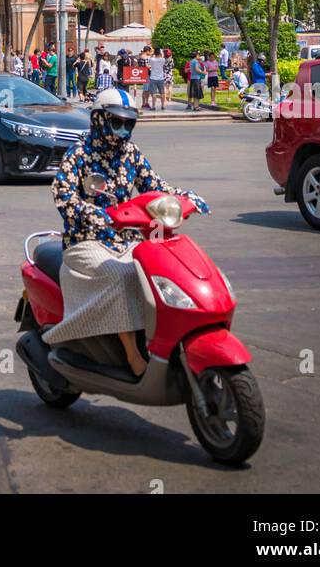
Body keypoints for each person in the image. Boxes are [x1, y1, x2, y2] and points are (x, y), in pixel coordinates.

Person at [44, 89, 209, 377]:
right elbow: (63, 197)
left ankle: (159, 340)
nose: (122, 130)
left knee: (161, 272)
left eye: (128, 124)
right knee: (123, 275)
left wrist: (187, 198)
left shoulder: (131, 154)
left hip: (128, 239)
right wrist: (100, 217)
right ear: (98, 120)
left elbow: (155, 187)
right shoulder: (78, 154)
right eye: (116, 122)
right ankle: (132, 355)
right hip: (86, 242)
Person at [144, 47, 166, 113]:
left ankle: (153, 106)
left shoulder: (152, 59)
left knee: (153, 93)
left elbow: (148, 65)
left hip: (153, 77)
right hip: (161, 78)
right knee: (162, 92)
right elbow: (163, 58)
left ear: (154, 53)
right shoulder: (163, 59)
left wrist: (152, 54)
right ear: (160, 52)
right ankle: (163, 106)